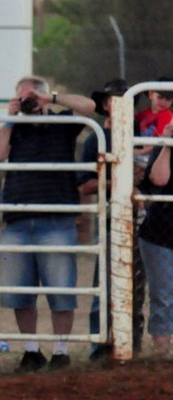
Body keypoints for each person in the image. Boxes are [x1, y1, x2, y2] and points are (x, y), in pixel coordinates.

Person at [0, 75, 95, 372]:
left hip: (56, 218)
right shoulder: (15, 129)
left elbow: (89, 106)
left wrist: (53, 99)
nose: (30, 101)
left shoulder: (62, 124)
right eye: (25, 97)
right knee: (19, 291)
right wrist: (10, 119)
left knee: (61, 289)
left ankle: (61, 351)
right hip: (17, 219)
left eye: (34, 96)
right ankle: (31, 350)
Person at [80, 79, 146, 360]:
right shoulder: (95, 138)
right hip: (109, 215)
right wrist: (117, 183)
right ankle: (100, 345)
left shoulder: (140, 133)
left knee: (136, 285)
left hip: (140, 217)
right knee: (105, 281)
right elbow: (83, 184)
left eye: (121, 98)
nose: (115, 103)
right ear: (105, 105)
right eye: (111, 99)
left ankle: (131, 343)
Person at [139, 120, 173, 357]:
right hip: (160, 233)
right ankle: (162, 354)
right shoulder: (161, 148)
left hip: (160, 232)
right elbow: (159, 180)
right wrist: (168, 144)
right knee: (162, 295)